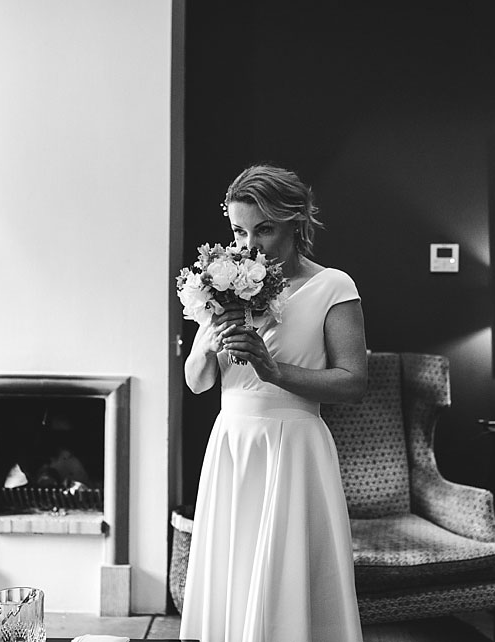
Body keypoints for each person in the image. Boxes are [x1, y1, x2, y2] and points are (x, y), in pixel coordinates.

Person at [179, 164, 367, 642]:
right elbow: (198, 384)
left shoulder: (334, 287)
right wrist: (205, 346)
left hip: (295, 447)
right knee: (234, 568)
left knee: (287, 575)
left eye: (264, 229)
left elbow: (353, 382)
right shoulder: (224, 285)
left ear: (296, 221)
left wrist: (275, 371)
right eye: (240, 230)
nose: (249, 245)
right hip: (232, 445)